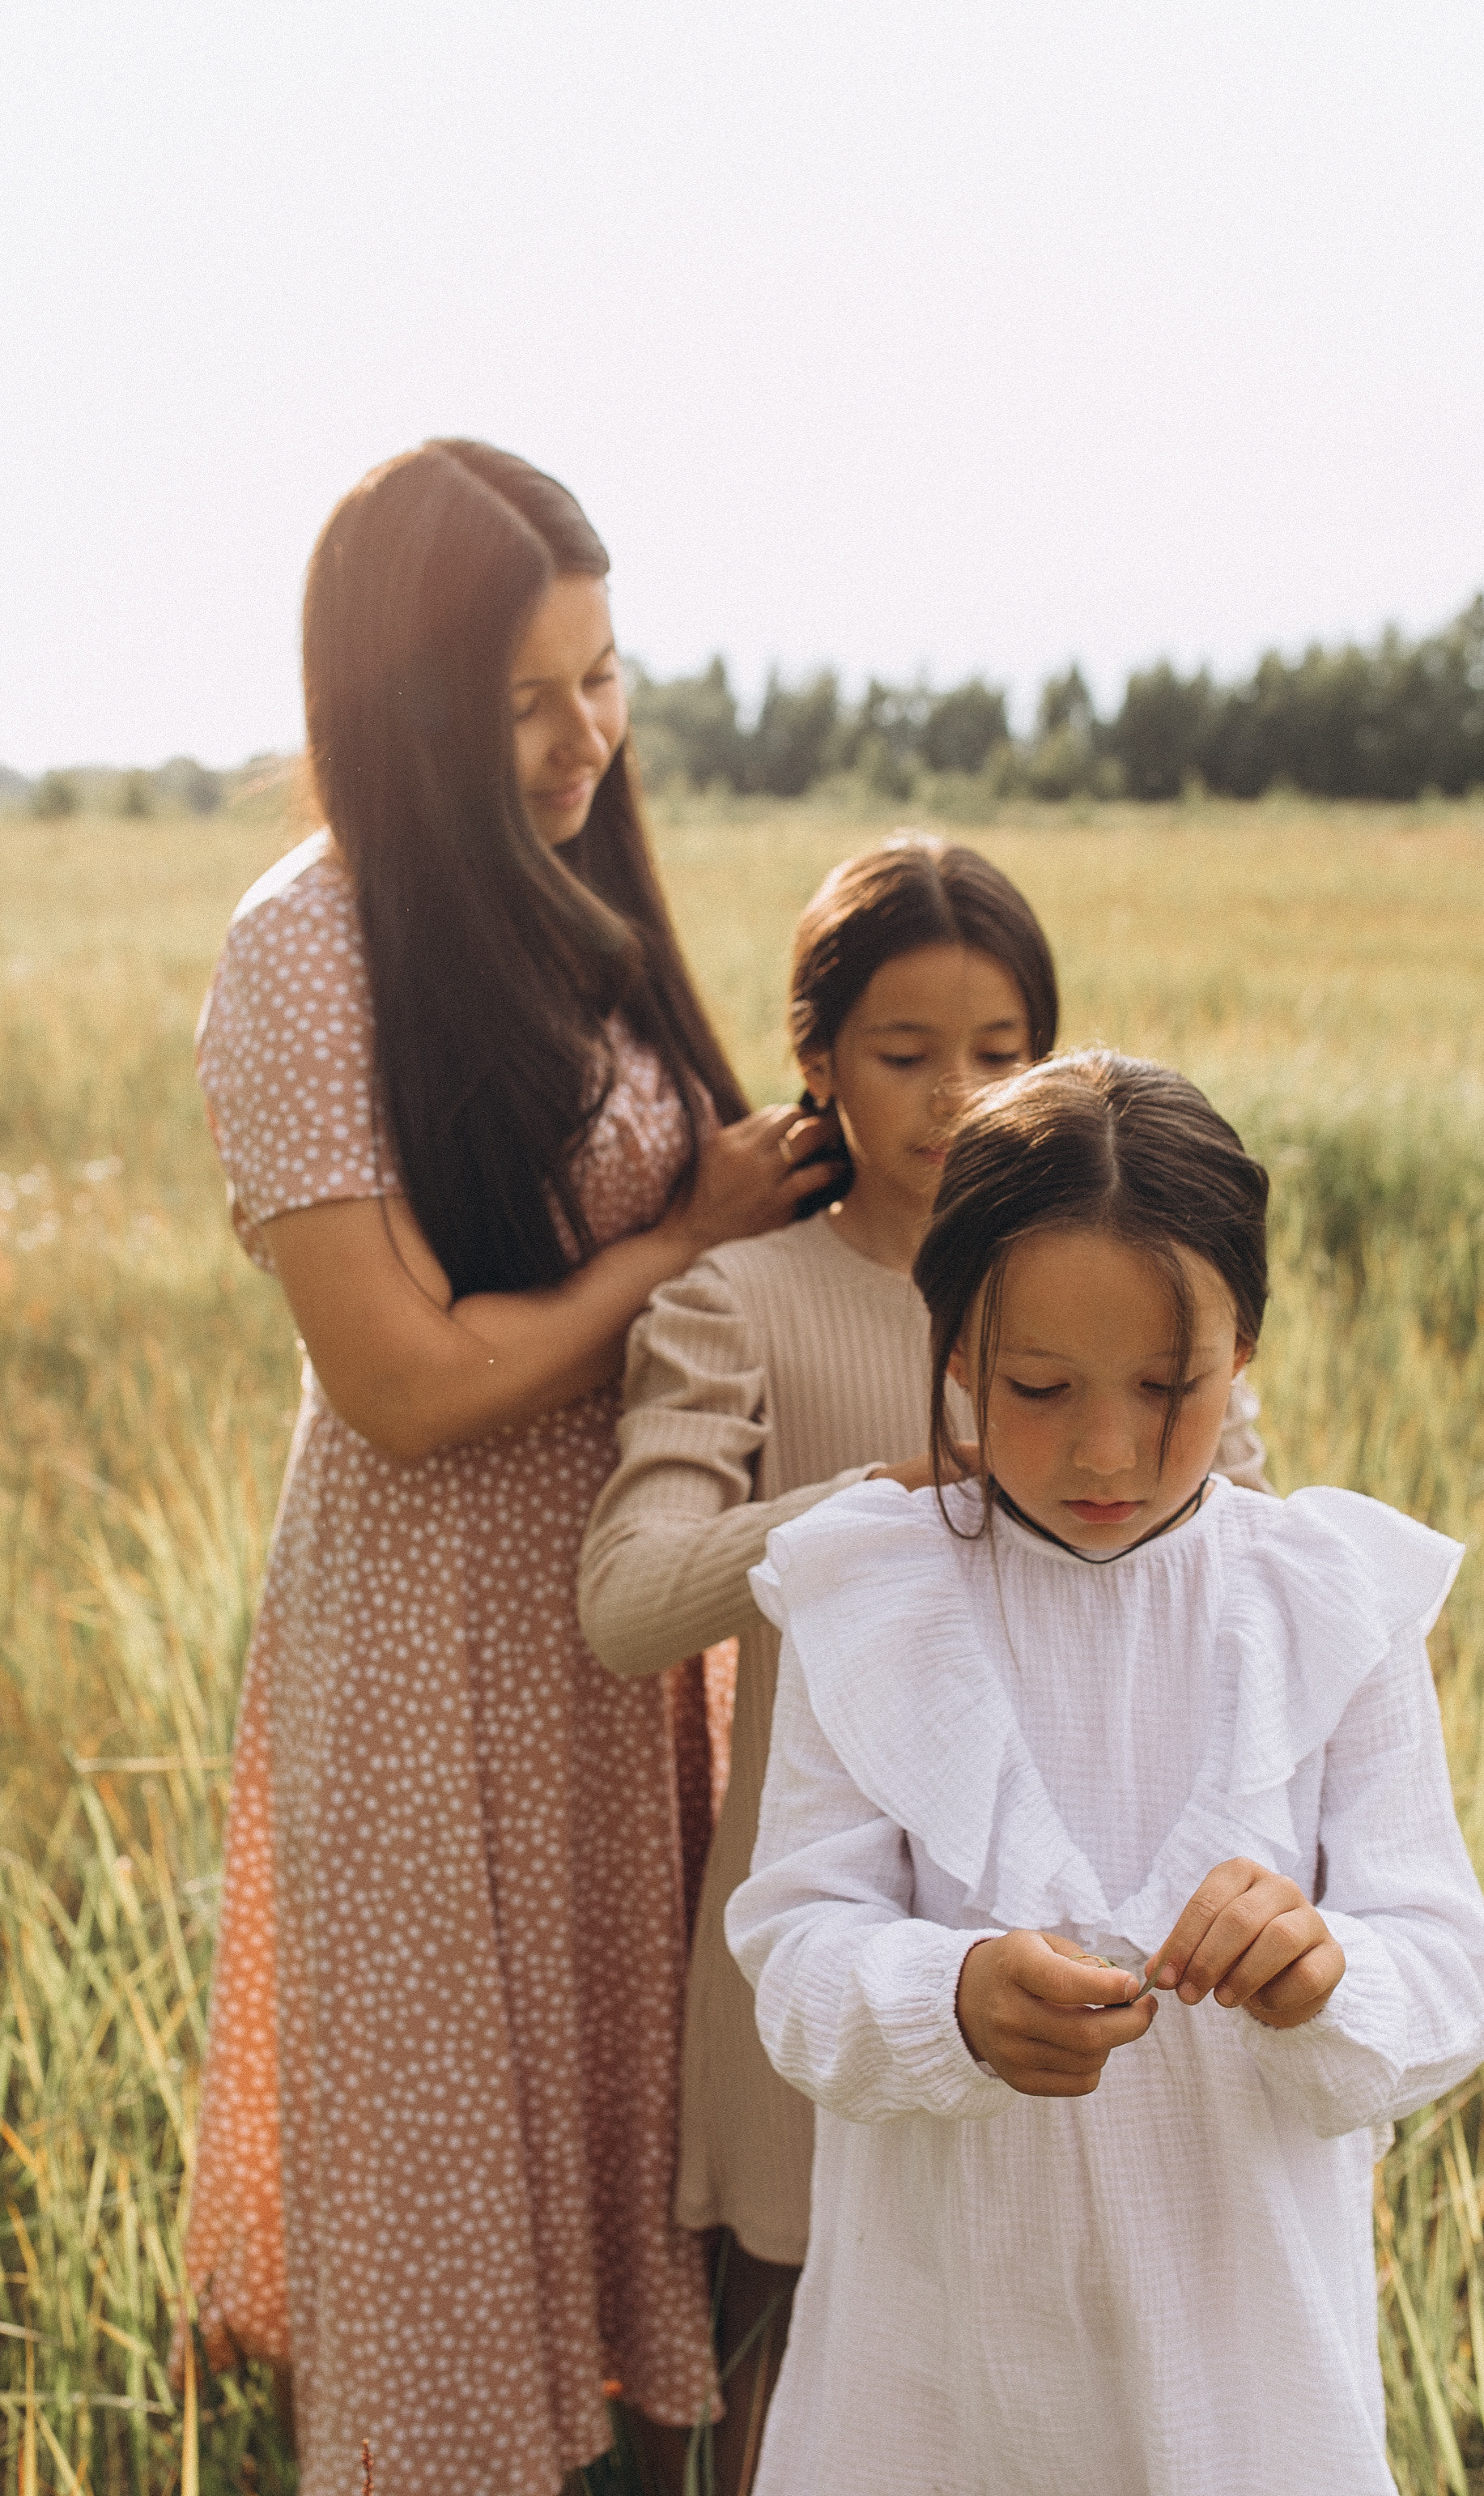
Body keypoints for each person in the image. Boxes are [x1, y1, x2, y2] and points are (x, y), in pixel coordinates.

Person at [182, 440, 838, 2496]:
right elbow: (396, 1379)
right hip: (430, 1643)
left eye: (603, 675)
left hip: (626, 1615)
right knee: (455, 2167)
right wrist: (678, 1244)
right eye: (527, 700)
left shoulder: (566, 901)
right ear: (402, 710)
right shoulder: (305, 949)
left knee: (633, 2136)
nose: (586, 736)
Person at [577, 854, 1272, 2487]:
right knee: (801, 2348)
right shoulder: (737, 1299)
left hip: (1105, 1940)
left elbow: (1241, 1560)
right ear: (815, 1057)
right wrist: (879, 1502)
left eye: (999, 1048)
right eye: (904, 1052)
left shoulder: (1124, 1297)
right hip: (833, 1912)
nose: (955, 1093)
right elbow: (624, 1604)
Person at [725, 1051, 1484, 2495]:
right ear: (956, 1351)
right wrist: (949, 1999)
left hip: (1242, 2365)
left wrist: (1325, 1970)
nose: (1108, 1450)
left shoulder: (1326, 1604)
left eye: (1167, 1386)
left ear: (1243, 1346)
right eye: (1040, 1387)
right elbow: (794, 1954)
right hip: (940, 2362)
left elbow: (1448, 1969)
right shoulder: (872, 1599)